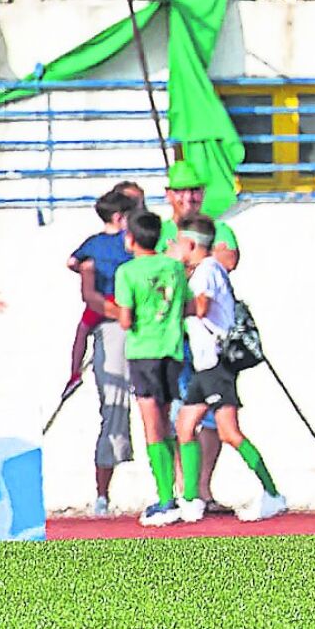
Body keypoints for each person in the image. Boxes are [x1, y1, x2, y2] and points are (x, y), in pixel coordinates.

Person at [171, 215, 286, 524]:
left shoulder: (206, 271)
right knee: (185, 426)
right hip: (203, 363)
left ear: (191, 244)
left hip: (216, 366)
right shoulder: (204, 270)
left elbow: (203, 307)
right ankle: (192, 499)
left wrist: (170, 302)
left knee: (229, 433)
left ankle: (272, 493)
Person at [112, 210, 190, 526]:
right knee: (169, 420)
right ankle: (179, 491)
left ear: (130, 239)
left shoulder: (127, 272)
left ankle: (165, 497)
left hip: (143, 351)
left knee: (151, 425)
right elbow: (184, 305)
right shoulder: (174, 267)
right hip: (172, 350)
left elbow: (126, 319)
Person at [65, 188, 135, 514]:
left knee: (113, 409)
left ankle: (103, 496)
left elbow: (74, 264)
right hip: (121, 321)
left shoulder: (93, 245)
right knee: (124, 408)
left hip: (109, 318)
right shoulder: (129, 242)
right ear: (120, 217)